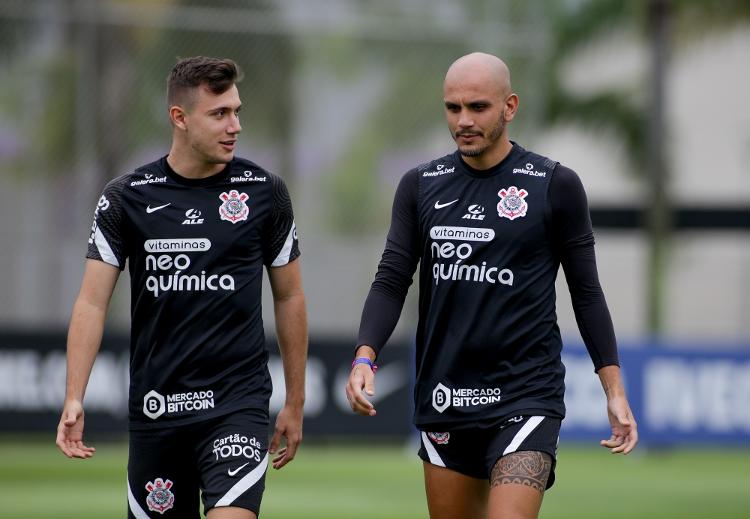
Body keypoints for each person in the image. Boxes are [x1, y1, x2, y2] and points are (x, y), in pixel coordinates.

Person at [345, 52, 638, 519]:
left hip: (527, 395)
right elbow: (392, 278)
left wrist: (614, 390)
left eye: (478, 107)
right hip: (445, 398)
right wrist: (366, 355)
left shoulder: (554, 185)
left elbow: (586, 293)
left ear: (510, 106)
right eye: (453, 108)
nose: (463, 120)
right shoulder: (420, 185)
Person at [56, 56, 307, 519]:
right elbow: (91, 302)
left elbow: (289, 296)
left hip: (238, 404)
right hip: (157, 412)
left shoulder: (265, 193)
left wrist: (294, 399)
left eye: (236, 111)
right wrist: (75, 395)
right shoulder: (125, 197)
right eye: (219, 114)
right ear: (179, 117)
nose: (235, 125)